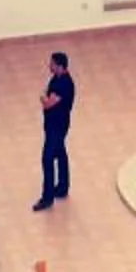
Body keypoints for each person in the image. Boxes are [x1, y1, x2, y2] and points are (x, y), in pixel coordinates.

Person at [34, 50, 76, 210]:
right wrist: (45, 96)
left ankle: (47, 197)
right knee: (60, 153)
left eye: (52, 63)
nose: (49, 66)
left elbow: (47, 102)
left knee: (47, 158)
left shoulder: (64, 84)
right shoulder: (56, 79)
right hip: (53, 125)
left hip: (57, 127)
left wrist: (43, 98)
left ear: (60, 66)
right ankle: (63, 187)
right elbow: (47, 94)